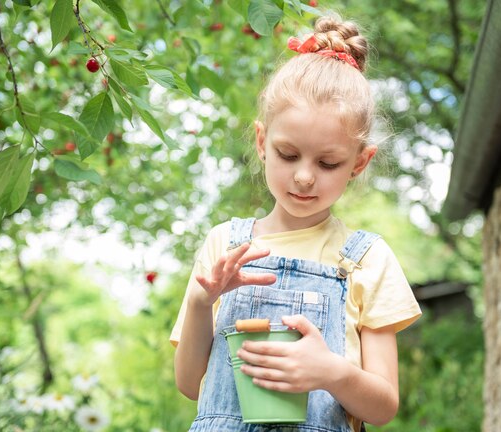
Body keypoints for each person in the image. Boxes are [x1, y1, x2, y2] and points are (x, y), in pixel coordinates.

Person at [170, 14, 422, 432]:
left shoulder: (366, 259)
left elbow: (383, 408)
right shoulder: (225, 245)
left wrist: (332, 373)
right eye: (288, 155)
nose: (305, 176)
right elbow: (189, 385)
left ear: (359, 163)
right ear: (261, 142)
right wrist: (201, 302)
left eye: (327, 163)